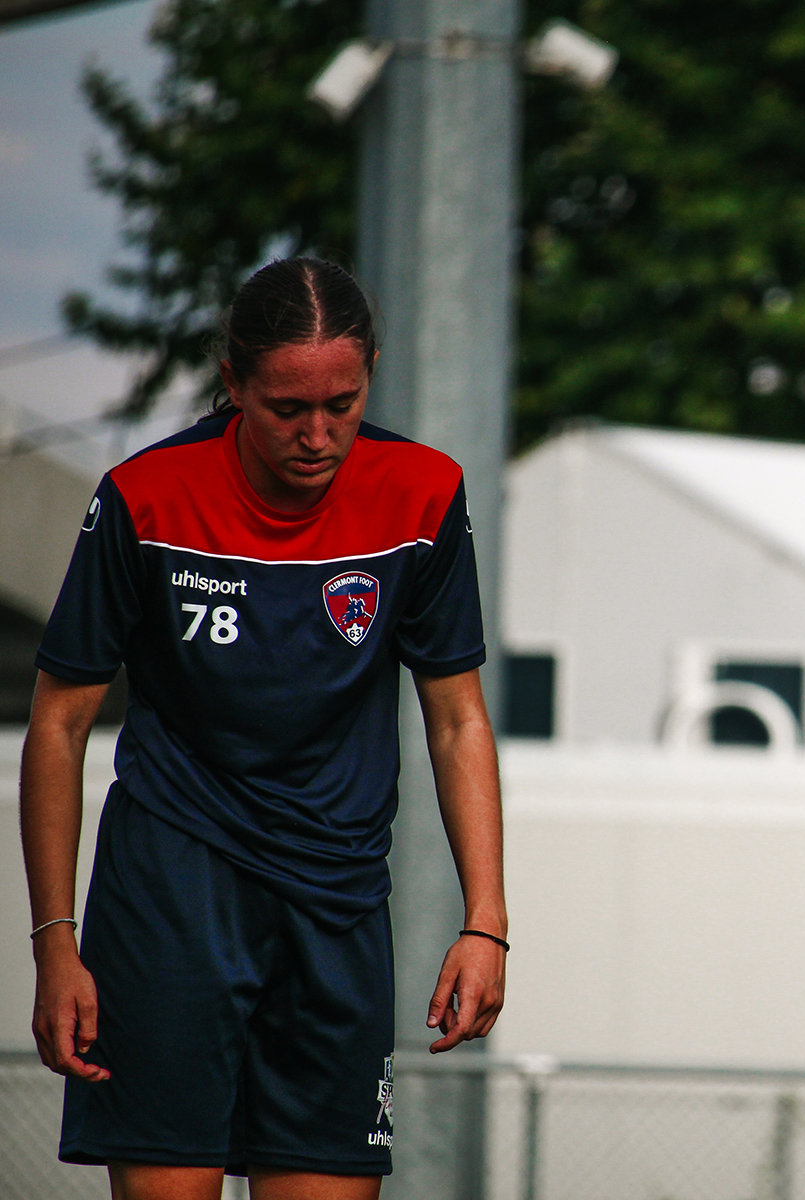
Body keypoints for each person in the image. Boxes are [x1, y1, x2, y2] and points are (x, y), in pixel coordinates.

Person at [21, 257, 508, 1200]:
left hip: (338, 904)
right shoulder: (144, 498)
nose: (317, 435)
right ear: (233, 382)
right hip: (170, 895)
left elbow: (457, 720)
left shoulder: (425, 493)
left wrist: (485, 920)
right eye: (287, 408)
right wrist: (55, 941)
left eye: (343, 403)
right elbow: (58, 723)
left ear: (370, 374)